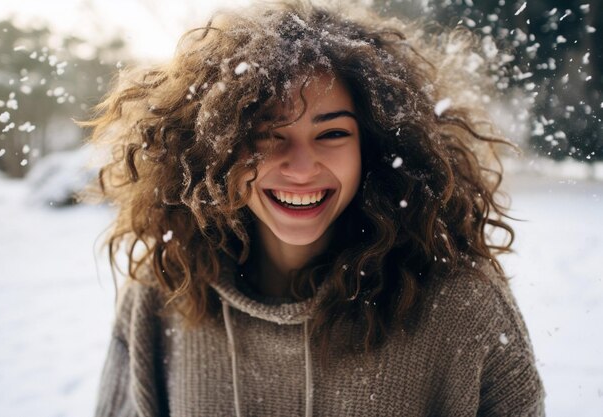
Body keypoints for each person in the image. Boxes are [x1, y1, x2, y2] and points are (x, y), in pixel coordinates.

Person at [87, 1, 545, 416]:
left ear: (377, 148)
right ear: (217, 149)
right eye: (268, 134)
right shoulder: (163, 289)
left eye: (332, 134)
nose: (302, 168)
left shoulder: (461, 306)